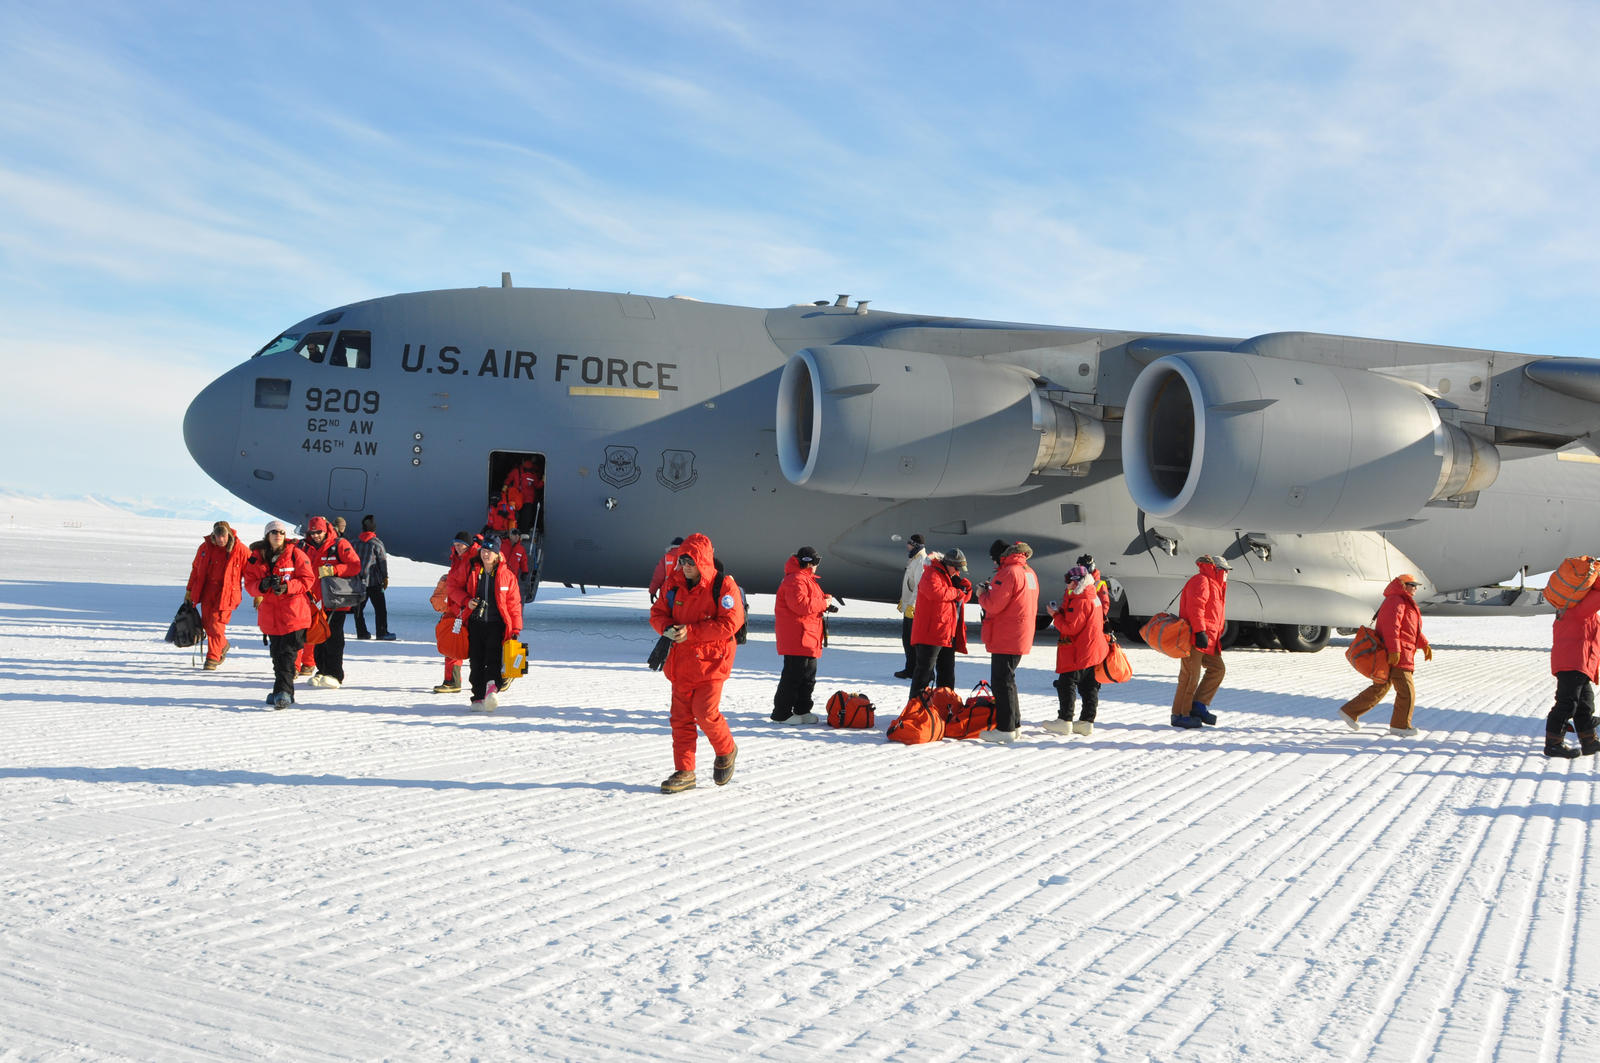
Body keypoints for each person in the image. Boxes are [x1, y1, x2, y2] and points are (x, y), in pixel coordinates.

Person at [649, 533, 742, 793]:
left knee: (704, 712)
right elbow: (657, 614)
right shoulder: (673, 584)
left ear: (702, 561)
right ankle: (685, 771)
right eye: (683, 561)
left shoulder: (723, 586)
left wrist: (692, 632)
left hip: (712, 663)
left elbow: (730, 623)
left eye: (691, 562)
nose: (687, 567)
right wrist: (666, 628)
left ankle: (726, 750)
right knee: (680, 719)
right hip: (681, 663)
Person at [1336, 574, 1432, 736]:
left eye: (1416, 585)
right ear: (1403, 584)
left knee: (1380, 686)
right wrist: (1395, 650)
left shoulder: (1404, 601)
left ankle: (1350, 711)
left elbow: (1411, 628)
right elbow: (1391, 628)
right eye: (1412, 584)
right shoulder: (1396, 601)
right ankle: (1400, 726)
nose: (1415, 588)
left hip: (1402, 651)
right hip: (1398, 653)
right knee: (1407, 691)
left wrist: (1424, 644)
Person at [242, 520, 315, 709]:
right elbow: (249, 583)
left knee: (287, 655)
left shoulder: (296, 554)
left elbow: (308, 579)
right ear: (267, 535)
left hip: (293, 613)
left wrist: (286, 587)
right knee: (277, 655)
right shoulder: (256, 557)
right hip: (271, 615)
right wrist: (262, 585)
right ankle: (279, 691)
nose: (278, 535)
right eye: (274, 532)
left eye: (281, 532)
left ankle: (283, 693)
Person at [447, 532, 523, 711]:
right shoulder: (471, 569)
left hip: (497, 624)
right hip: (476, 622)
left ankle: (491, 691)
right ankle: (478, 697)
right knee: (476, 661)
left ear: (497, 554)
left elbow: (514, 605)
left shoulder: (507, 575)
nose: (485, 554)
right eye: (483, 550)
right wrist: (467, 601)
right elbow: (452, 587)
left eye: (489, 551)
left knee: (493, 658)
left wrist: (516, 629)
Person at [976, 542, 1040, 743]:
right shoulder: (1028, 571)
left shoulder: (1008, 573)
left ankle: (1006, 728)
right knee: (1008, 680)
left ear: (999, 556)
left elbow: (994, 604)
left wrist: (982, 594)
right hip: (1020, 632)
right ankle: (1014, 724)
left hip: (1007, 634)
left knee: (1001, 681)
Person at [772, 545, 834, 724]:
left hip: (808, 635)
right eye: (816, 562)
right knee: (793, 676)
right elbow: (800, 605)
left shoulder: (805, 579)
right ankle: (782, 713)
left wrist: (825, 601)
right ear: (809, 563)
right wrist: (823, 603)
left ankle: (802, 709)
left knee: (808, 676)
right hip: (797, 636)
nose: (817, 566)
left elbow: (809, 601)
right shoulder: (795, 580)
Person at [1045, 565, 1108, 736]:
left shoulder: (1081, 600)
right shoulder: (1091, 595)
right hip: (1093, 648)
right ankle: (1087, 721)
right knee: (1089, 685)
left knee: (1067, 682)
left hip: (1081, 649)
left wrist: (1055, 615)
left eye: (1068, 581)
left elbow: (1070, 628)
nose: (1066, 585)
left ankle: (1065, 720)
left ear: (1076, 582)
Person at [302, 515, 361, 689]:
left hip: (336, 600)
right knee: (318, 637)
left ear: (326, 530)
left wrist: (334, 569)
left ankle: (335, 674)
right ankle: (321, 670)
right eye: (312, 533)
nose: (316, 536)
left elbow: (355, 565)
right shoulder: (307, 547)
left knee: (333, 637)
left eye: (319, 532)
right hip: (315, 601)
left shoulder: (340, 545)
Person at [1172, 554, 1231, 729]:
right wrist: (1200, 632)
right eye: (1225, 570)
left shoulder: (1215, 585)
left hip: (1208, 640)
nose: (1227, 573)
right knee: (1190, 676)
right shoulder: (1202, 581)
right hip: (1195, 637)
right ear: (1217, 569)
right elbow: (1196, 608)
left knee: (1217, 669)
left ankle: (1197, 705)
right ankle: (1179, 714)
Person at [184, 520, 250, 670]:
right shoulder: (205, 548)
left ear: (229, 535)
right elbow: (195, 570)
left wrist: (259, 594)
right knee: (207, 623)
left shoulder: (241, 550)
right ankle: (223, 644)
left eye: (224, 536)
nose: (221, 540)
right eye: (218, 536)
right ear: (213, 535)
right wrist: (189, 591)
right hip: (207, 591)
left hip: (227, 594)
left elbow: (252, 572)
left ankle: (213, 656)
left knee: (216, 624)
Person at [908, 548, 972, 699]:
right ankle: (915, 708)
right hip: (930, 633)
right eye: (956, 568)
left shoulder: (950, 576)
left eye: (959, 569)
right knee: (924, 673)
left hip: (946, 632)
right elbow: (935, 592)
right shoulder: (931, 573)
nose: (957, 571)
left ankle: (945, 705)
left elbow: (963, 598)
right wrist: (956, 592)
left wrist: (965, 588)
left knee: (947, 673)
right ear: (948, 564)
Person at [1546, 580, 1600, 758]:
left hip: (1578, 663)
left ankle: (1589, 741)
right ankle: (1553, 744)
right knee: (1567, 703)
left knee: (1585, 703)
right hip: (1573, 662)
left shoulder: (1571, 607)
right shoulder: (1578, 608)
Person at [433, 531, 476, 693]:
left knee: (463, 644)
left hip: (465, 607)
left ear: (468, 545)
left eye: (460, 545)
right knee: (453, 642)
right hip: (458, 607)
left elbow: (465, 584)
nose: (457, 548)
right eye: (455, 545)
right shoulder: (459, 558)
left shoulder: (471, 560)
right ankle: (452, 681)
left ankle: (489, 681)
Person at [351, 514, 395, 641]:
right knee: (380, 609)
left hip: (357, 581)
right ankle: (381, 632)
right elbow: (382, 562)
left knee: (358, 609)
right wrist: (385, 577)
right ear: (374, 529)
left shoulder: (353, 543)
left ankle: (361, 632)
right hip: (374, 581)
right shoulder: (377, 543)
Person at [895, 534, 926, 678]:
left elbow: (919, 587)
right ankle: (910, 668)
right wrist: (904, 600)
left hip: (914, 610)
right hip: (909, 607)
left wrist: (912, 605)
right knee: (907, 640)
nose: (907, 546)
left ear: (916, 545)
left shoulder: (921, 561)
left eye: (910, 544)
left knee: (913, 642)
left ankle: (916, 670)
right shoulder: (914, 559)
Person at [649, 537, 684, 604]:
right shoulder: (688, 557)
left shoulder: (666, 558)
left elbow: (658, 577)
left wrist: (653, 591)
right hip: (683, 591)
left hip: (668, 591)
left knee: (667, 611)